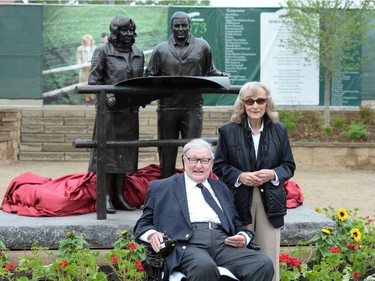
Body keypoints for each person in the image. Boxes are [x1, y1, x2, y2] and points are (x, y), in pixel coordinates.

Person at [134, 138, 274, 281]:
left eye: (204, 160)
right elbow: (142, 224)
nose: (199, 166)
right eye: (193, 160)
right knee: (204, 266)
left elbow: (236, 223)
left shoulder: (222, 188)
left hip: (222, 242)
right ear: (185, 161)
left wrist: (243, 237)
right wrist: (152, 235)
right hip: (186, 243)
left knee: (263, 264)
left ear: (211, 164)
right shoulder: (162, 187)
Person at [213, 81, 296, 281]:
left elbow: (288, 165)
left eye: (260, 100)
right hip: (239, 199)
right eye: (250, 101)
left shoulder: (279, 129)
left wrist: (273, 174)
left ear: (267, 103)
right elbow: (219, 166)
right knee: (242, 255)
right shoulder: (228, 130)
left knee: (269, 255)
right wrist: (240, 176)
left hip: (271, 202)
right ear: (242, 104)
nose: (255, 106)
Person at [144, 11, 227, 179]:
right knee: (167, 149)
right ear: (171, 27)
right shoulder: (160, 49)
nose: (181, 29)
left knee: (193, 150)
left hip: (192, 107)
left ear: (190, 25)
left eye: (184, 25)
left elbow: (210, 70)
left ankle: (191, 185)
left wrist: (221, 76)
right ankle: (167, 184)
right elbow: (149, 75)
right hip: (167, 107)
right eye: (177, 26)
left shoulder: (202, 46)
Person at [88, 15, 144, 213]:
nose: (128, 34)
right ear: (114, 33)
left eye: (131, 30)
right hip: (109, 113)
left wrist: (143, 97)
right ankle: (104, 196)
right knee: (107, 153)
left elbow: (140, 81)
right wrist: (108, 94)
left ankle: (119, 196)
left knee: (125, 153)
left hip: (130, 111)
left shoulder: (138, 52)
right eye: (124, 30)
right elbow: (93, 81)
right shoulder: (102, 51)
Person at [76, 34, 96, 102]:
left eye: (89, 41)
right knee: (85, 82)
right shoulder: (80, 49)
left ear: (91, 41)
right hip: (84, 68)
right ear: (83, 42)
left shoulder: (95, 48)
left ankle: (90, 94)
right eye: (86, 41)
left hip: (92, 68)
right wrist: (81, 64)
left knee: (91, 82)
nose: (87, 43)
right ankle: (86, 96)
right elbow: (78, 59)